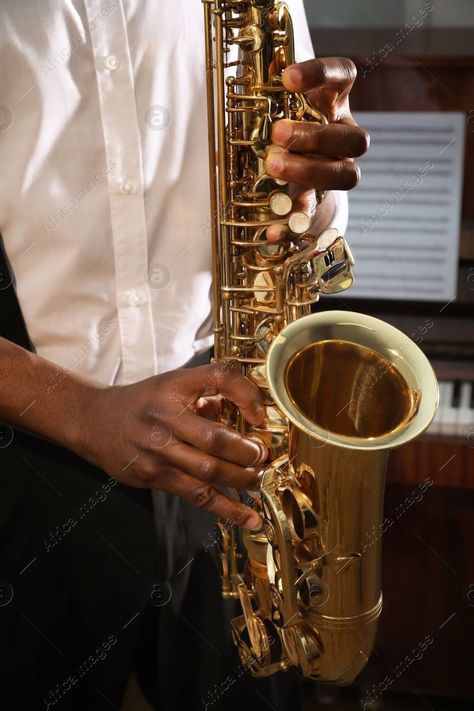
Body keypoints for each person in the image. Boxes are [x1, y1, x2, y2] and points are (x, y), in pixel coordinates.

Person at [0, 1, 369, 709]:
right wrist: (79, 410)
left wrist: (309, 198)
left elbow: (308, 220)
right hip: (23, 461)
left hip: (231, 441)